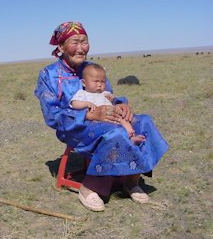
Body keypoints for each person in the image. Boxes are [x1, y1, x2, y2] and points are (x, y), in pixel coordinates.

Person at [34, 21, 168, 211]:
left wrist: (121, 104)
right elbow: (52, 116)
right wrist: (88, 115)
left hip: (105, 117)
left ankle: (131, 180)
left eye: (84, 42)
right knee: (115, 133)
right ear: (61, 46)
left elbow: (108, 95)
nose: (81, 48)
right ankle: (90, 187)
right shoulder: (49, 74)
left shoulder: (93, 68)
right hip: (73, 126)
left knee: (144, 121)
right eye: (75, 42)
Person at [70, 63, 146, 145]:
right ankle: (127, 138)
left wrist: (113, 98)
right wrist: (86, 104)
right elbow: (74, 103)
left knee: (123, 118)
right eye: (96, 81)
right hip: (97, 120)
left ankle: (132, 136)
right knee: (115, 127)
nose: (99, 85)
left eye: (102, 82)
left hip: (112, 115)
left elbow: (114, 99)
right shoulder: (83, 94)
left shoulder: (104, 93)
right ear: (84, 83)